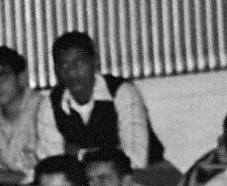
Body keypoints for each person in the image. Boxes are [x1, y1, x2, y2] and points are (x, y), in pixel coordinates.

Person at [49, 30, 159, 171]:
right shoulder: (52, 103)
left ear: (95, 61)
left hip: (146, 174)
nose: (71, 72)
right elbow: (51, 162)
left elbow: (136, 160)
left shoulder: (121, 92)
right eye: (64, 66)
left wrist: (81, 155)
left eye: (79, 63)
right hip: (90, 180)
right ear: (56, 69)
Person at [0, 45, 62, 186]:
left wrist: (6, 177)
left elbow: (53, 169)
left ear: (20, 77)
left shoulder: (44, 108)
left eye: (3, 76)